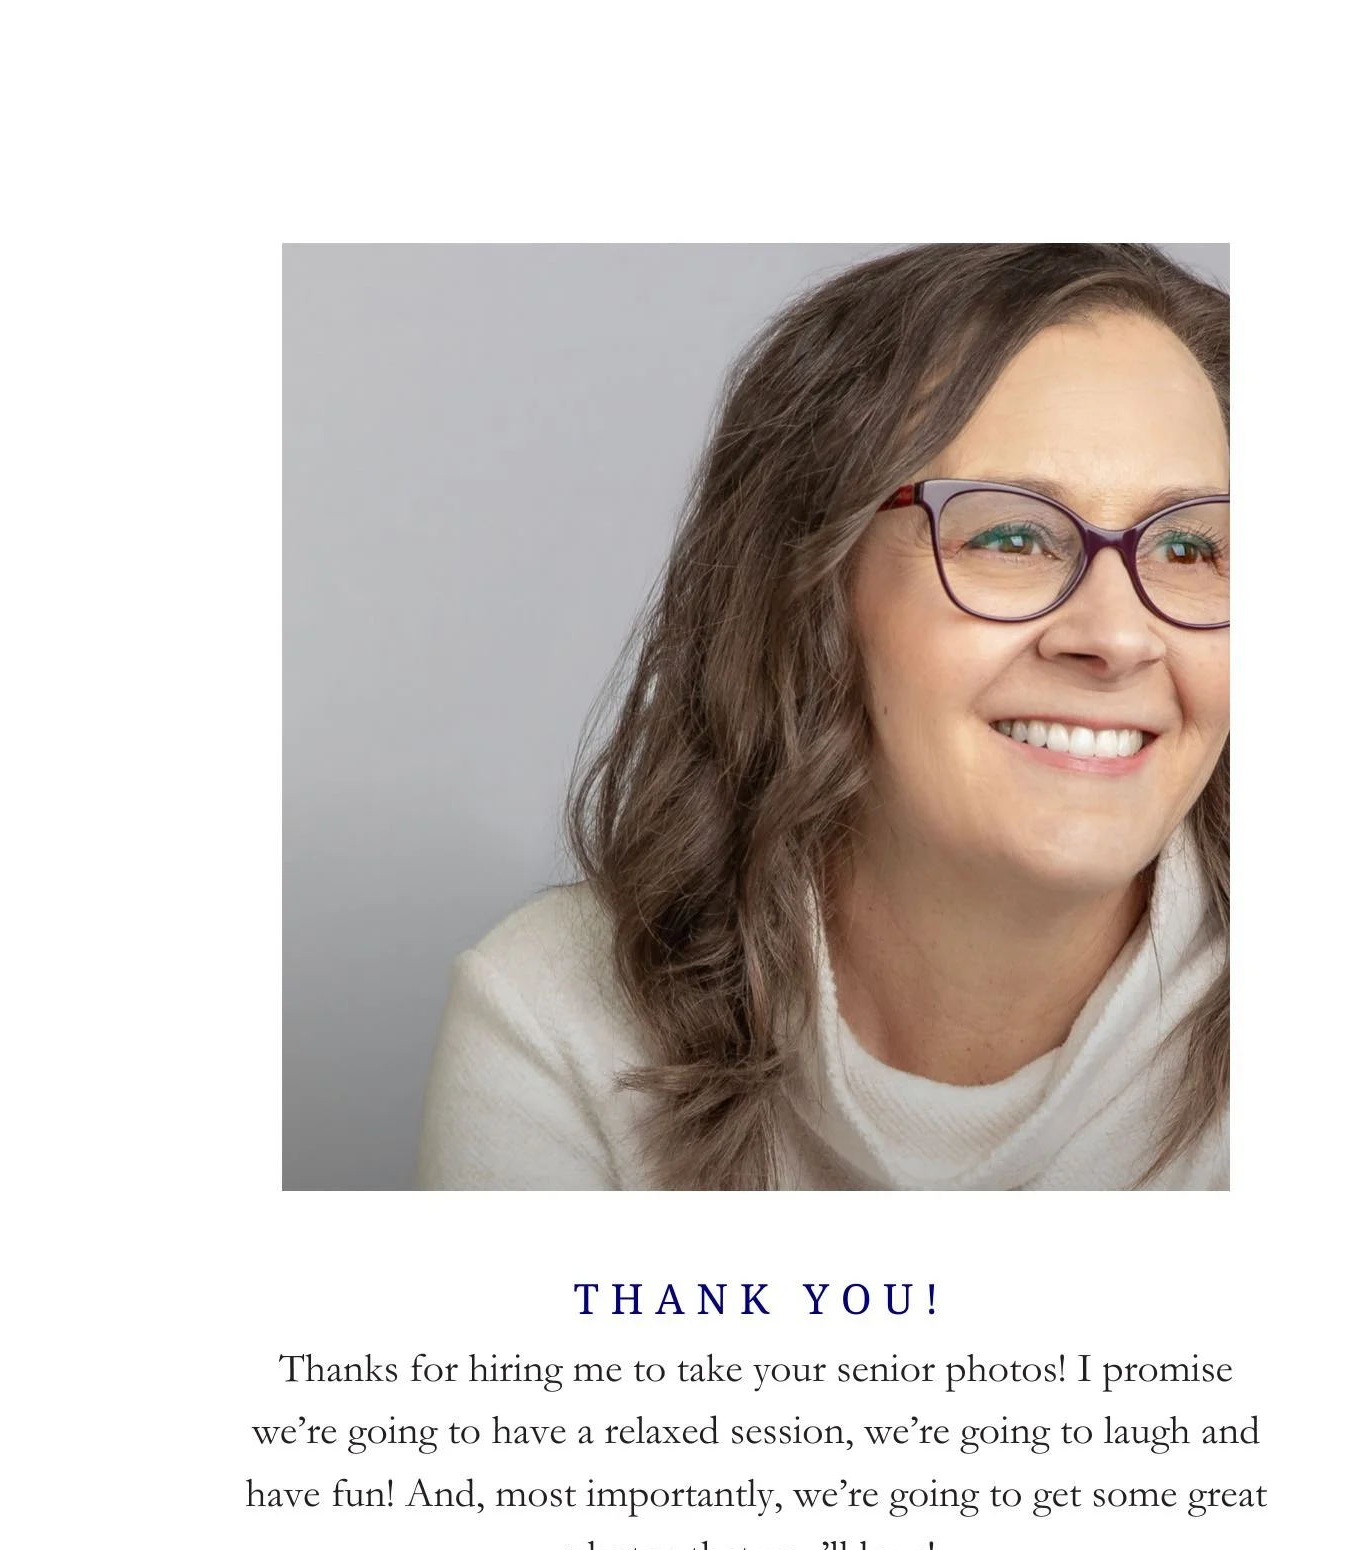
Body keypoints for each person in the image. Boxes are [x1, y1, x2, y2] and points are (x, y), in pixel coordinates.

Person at [419, 243, 1228, 1190]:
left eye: (1192, 548)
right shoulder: (555, 1018)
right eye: (1009, 535)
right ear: (806, 593)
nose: (1119, 637)